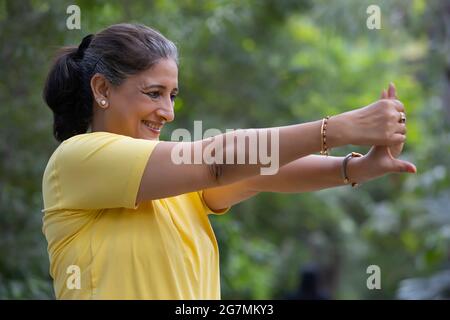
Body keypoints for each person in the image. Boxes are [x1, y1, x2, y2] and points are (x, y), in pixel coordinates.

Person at [42, 23, 416, 299]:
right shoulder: (77, 159)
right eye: (154, 93)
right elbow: (218, 162)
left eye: (172, 95)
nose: (168, 112)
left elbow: (259, 172)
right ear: (102, 89)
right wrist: (337, 128)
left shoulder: (170, 179)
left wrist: (354, 168)